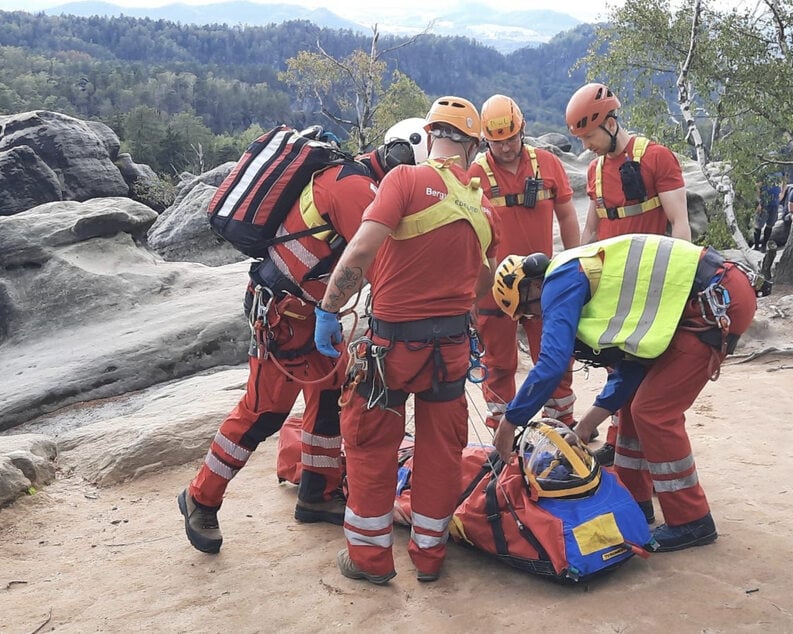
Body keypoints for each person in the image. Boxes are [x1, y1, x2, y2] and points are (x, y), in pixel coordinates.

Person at [176, 121, 425, 555]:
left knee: (330, 391)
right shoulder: (354, 190)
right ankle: (201, 497)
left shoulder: (358, 180)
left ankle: (318, 491)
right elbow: (383, 261)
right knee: (263, 412)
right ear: (401, 160)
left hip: (308, 313)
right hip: (284, 315)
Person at [313, 96, 499, 585]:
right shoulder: (482, 205)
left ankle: (370, 560)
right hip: (452, 351)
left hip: (391, 349)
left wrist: (329, 309)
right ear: (474, 146)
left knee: (372, 447)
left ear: (429, 135)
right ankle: (430, 555)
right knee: (441, 451)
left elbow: (361, 248)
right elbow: (486, 281)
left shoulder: (404, 180)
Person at [490, 234, 757, 552]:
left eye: (531, 312)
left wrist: (510, 422)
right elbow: (633, 367)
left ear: (531, 287)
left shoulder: (558, 280)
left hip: (713, 300)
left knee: (654, 411)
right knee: (633, 404)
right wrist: (586, 426)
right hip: (711, 293)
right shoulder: (579, 275)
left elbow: (551, 363)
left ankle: (692, 521)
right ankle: (636, 501)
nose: (537, 318)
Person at [564, 82, 692, 466]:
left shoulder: (657, 158)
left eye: (589, 135)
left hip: (652, 287)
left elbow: (680, 226)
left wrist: (678, 287)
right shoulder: (595, 171)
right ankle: (621, 444)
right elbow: (590, 232)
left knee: (647, 375)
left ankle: (651, 453)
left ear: (611, 122)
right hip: (613, 288)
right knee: (618, 369)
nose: (586, 144)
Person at [466, 94, 581, 430]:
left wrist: (573, 264)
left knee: (555, 354)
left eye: (511, 138)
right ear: (487, 139)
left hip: (541, 283)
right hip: (493, 287)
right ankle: (503, 426)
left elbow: (567, 216)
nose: (506, 147)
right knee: (498, 362)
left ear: (522, 130)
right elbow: (468, 235)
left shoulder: (547, 164)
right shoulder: (475, 175)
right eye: (498, 141)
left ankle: (561, 421)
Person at [751, 177, 781, 252]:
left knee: (770, 224)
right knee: (758, 225)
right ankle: (756, 245)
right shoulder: (765, 171)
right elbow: (757, 186)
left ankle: (764, 245)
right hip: (764, 202)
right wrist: (758, 202)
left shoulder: (780, 169)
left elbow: (784, 179)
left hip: (775, 203)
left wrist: (783, 192)